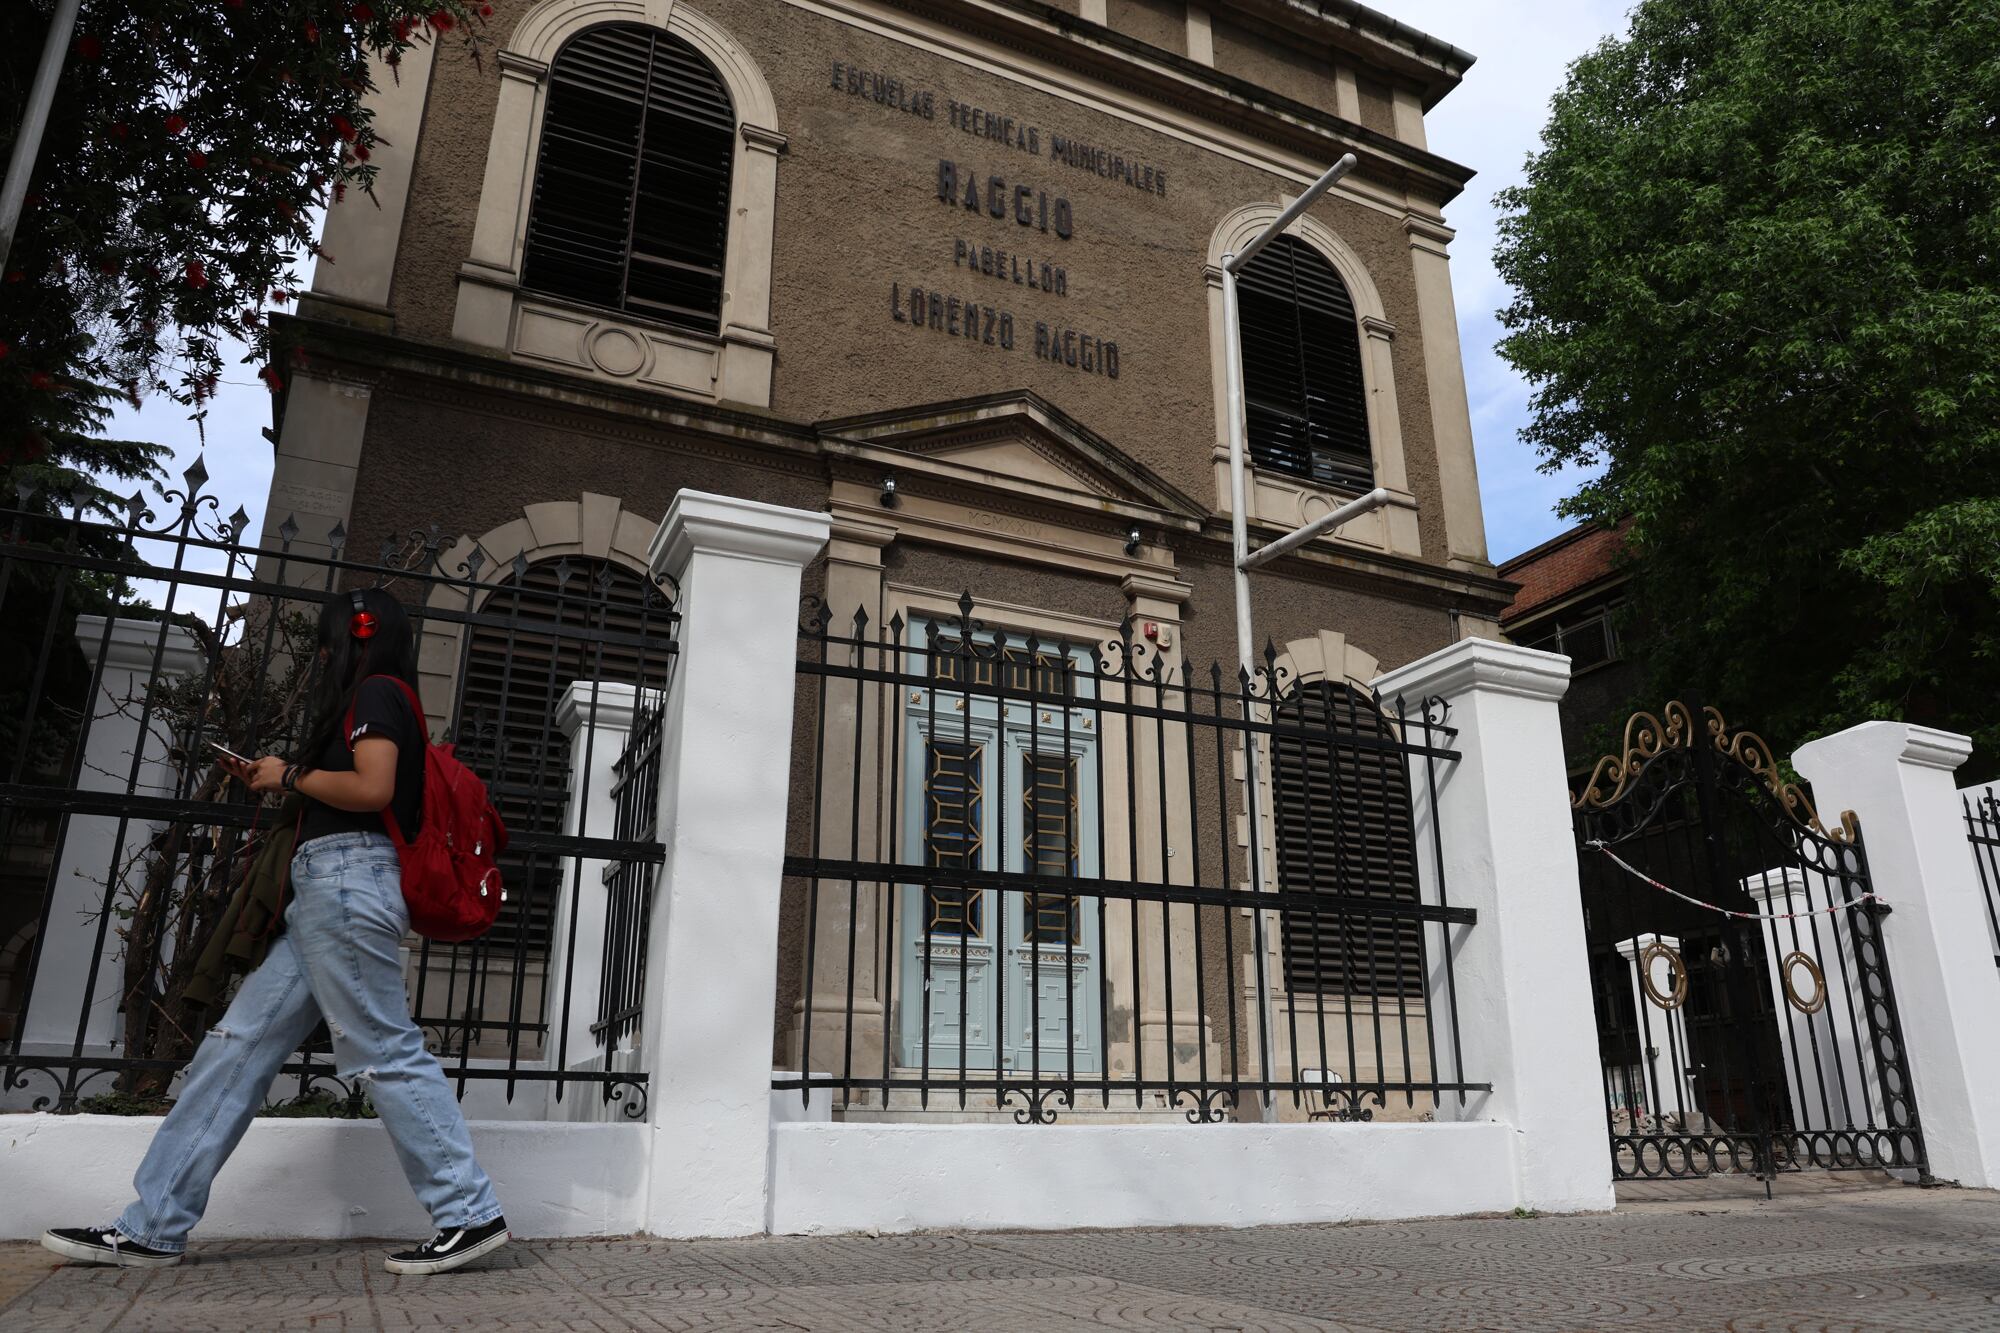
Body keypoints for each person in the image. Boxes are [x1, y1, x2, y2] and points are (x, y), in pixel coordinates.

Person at [43, 588, 509, 1275]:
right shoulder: (373, 699)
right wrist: (281, 778)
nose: (321, 655)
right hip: (326, 893)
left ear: (353, 639)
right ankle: (153, 1224)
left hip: (346, 886)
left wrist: (287, 773)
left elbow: (373, 787)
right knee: (234, 1053)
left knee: (384, 1048)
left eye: (326, 642)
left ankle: (468, 1211)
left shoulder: (377, 693)